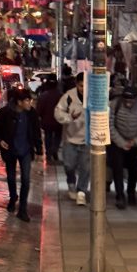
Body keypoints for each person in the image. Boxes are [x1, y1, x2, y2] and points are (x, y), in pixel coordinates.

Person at [0, 86, 42, 222]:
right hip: (10, 149)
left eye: (30, 100)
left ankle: (23, 209)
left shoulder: (31, 114)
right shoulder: (6, 112)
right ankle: (13, 197)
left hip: (26, 150)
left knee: (26, 179)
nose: (30, 103)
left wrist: (39, 149)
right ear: (19, 102)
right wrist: (0, 140)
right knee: (11, 177)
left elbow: (36, 131)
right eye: (27, 101)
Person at [109, 81, 137, 209]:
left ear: (136, 98)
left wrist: (135, 141)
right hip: (117, 142)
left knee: (133, 169)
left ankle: (131, 193)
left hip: (135, 142)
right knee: (117, 168)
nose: (128, 102)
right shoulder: (115, 104)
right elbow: (110, 125)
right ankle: (120, 195)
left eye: (131, 99)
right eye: (126, 99)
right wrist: (121, 142)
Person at [55, 72, 89, 204]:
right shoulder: (68, 96)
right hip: (70, 138)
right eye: (81, 86)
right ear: (77, 84)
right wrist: (69, 118)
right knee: (69, 165)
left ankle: (81, 191)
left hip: (87, 139)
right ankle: (71, 183)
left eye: (85, 86)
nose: (83, 89)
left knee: (85, 167)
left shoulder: (93, 96)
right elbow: (58, 113)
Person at [36, 75, 63, 164]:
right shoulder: (61, 95)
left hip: (47, 121)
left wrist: (39, 118)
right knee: (58, 136)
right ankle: (55, 149)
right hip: (58, 121)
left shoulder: (43, 96)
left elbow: (39, 110)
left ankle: (48, 153)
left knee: (48, 136)